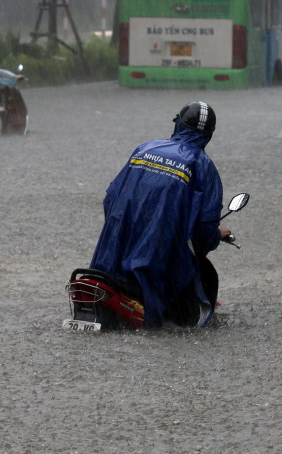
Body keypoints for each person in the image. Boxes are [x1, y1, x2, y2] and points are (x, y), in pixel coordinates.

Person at [89, 102, 232, 328]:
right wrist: (215, 236)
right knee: (195, 323)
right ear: (208, 135)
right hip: (153, 267)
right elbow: (204, 230)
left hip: (109, 260)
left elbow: (110, 199)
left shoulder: (144, 149)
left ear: (178, 124)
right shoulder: (203, 167)